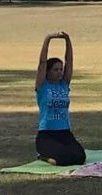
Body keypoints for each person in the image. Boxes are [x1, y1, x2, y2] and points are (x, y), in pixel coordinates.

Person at [34, 31, 86, 165]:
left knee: (80, 157)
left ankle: (50, 156)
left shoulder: (63, 85)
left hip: (65, 133)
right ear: (48, 72)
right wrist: (48, 39)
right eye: (55, 70)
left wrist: (67, 40)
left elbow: (70, 61)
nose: (59, 72)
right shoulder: (42, 86)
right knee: (63, 159)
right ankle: (43, 155)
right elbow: (42, 63)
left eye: (61, 69)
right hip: (47, 134)